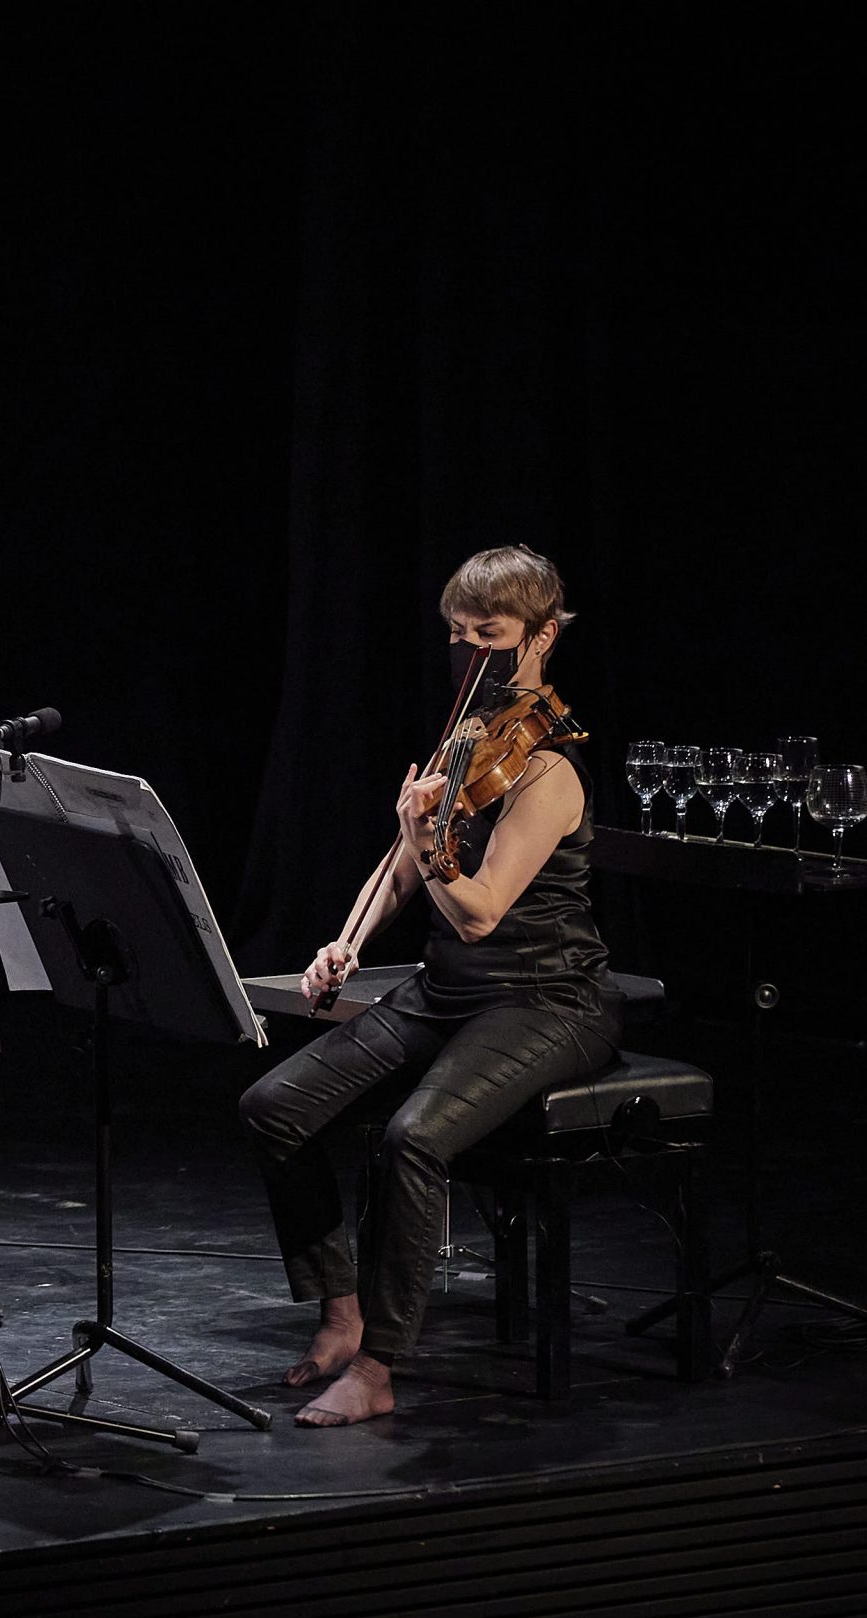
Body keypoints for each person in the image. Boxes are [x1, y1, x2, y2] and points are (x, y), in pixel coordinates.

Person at [237, 545, 620, 1427]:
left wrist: (427, 838)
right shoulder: (470, 734)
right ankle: (342, 1314)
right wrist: (347, 939)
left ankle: (377, 1369)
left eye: (490, 636)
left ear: (544, 636)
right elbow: (404, 863)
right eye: (457, 636)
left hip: (546, 996)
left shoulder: (548, 768)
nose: (470, 654)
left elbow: (476, 909)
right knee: (274, 1104)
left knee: (412, 1139)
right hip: (449, 989)